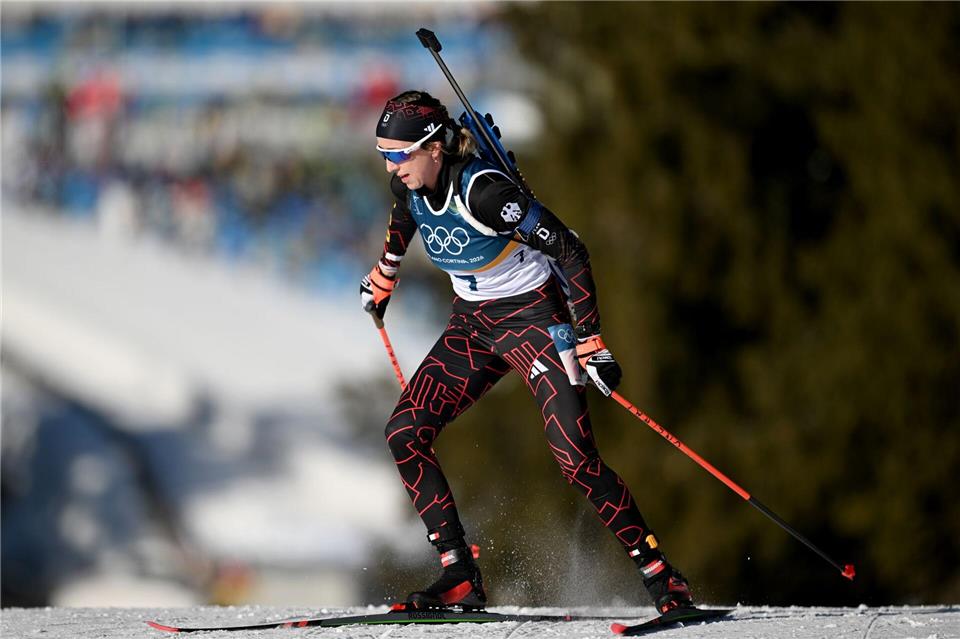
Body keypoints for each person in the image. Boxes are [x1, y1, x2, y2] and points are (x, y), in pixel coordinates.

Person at [361, 91, 694, 614]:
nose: (390, 165)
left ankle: (662, 579)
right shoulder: (409, 182)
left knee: (575, 459)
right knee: (404, 433)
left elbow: (569, 249)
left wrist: (589, 339)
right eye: (384, 153)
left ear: (432, 148)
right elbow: (406, 216)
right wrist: (385, 273)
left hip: (534, 320)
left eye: (399, 154)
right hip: (472, 325)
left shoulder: (486, 192)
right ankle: (459, 576)